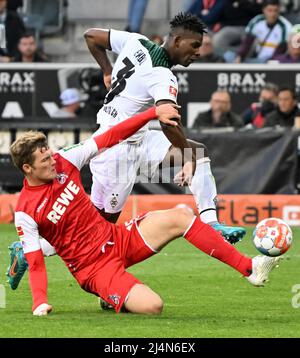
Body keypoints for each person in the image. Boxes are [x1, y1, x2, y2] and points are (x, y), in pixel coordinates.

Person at [8, 104, 280, 316]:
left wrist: (152, 112)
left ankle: (250, 268)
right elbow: (35, 262)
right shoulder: (25, 210)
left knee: (181, 216)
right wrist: (40, 303)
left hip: (116, 239)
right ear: (27, 169)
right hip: (93, 270)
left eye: (49, 155)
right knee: (153, 306)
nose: (52, 162)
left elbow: (113, 134)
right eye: (45, 161)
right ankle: (109, 294)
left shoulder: (65, 159)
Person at [83, 12, 246, 242]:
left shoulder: (135, 41)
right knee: (98, 230)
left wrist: (107, 70)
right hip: (115, 149)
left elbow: (91, 36)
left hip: (136, 138)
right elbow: (168, 121)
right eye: (195, 45)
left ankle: (212, 224)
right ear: (178, 41)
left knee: (198, 152)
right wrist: (186, 158)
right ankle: (33, 247)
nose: (198, 52)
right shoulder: (162, 75)